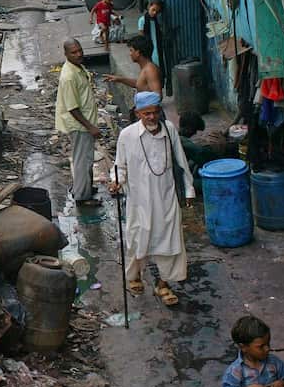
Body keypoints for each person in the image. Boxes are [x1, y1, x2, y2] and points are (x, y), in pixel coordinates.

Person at [107, 91, 195, 304]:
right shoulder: (127, 135)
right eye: (146, 113)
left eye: (155, 113)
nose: (152, 117)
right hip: (139, 201)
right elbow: (119, 166)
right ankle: (134, 276)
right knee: (137, 240)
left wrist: (189, 190)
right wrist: (116, 180)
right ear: (138, 113)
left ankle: (163, 284)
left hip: (166, 198)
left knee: (170, 242)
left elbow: (181, 162)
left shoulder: (170, 130)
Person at [55, 39, 102, 206]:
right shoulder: (68, 77)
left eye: (80, 50)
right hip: (80, 125)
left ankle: (84, 187)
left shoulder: (77, 68)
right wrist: (91, 127)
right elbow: (72, 108)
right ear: (66, 54)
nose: (79, 54)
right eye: (74, 52)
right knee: (83, 159)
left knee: (85, 157)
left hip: (85, 122)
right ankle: (82, 197)